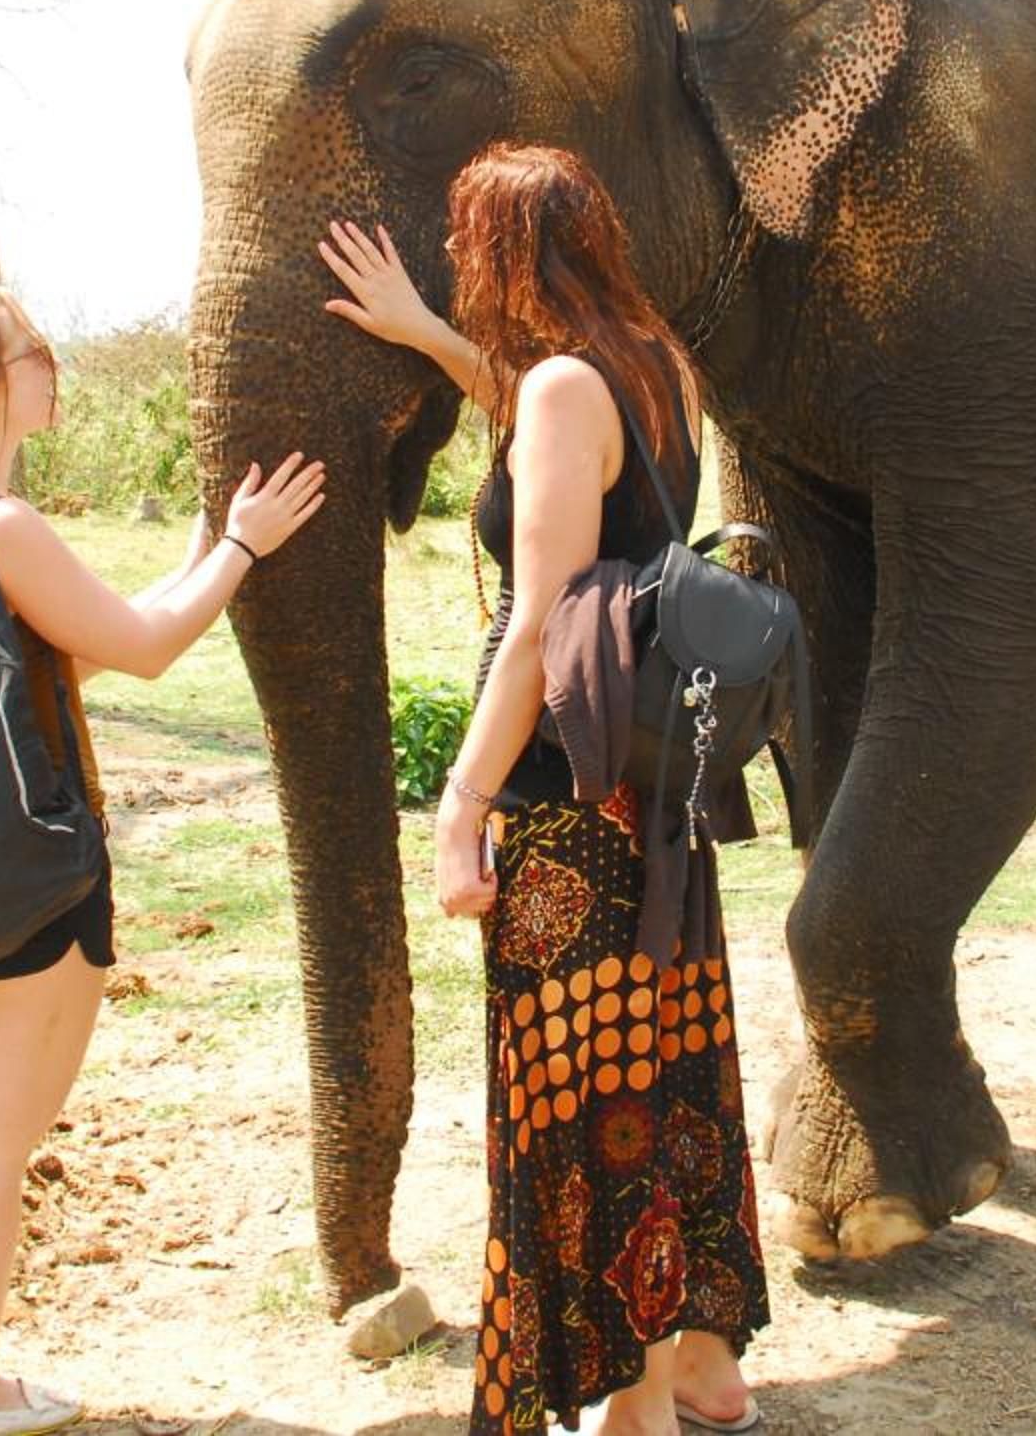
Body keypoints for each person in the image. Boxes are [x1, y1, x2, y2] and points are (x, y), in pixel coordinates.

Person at [323, 147, 769, 1436]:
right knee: (668, 1068)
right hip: (652, 789)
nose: (461, 273)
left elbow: (536, 621)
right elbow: (553, 430)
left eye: (466, 253)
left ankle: (636, 1407)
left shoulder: (569, 387)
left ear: (502, 255)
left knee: (588, 1100)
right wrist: (423, 332)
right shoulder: (654, 362)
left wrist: (462, 799)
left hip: (568, 802)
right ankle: (703, 1361)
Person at [0, 284, 326, 1436]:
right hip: (29, 876)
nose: (52, 366)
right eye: (33, 350)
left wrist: (201, 556)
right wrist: (243, 547)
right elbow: (147, 647)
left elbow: (76, 648)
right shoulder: (5, 526)